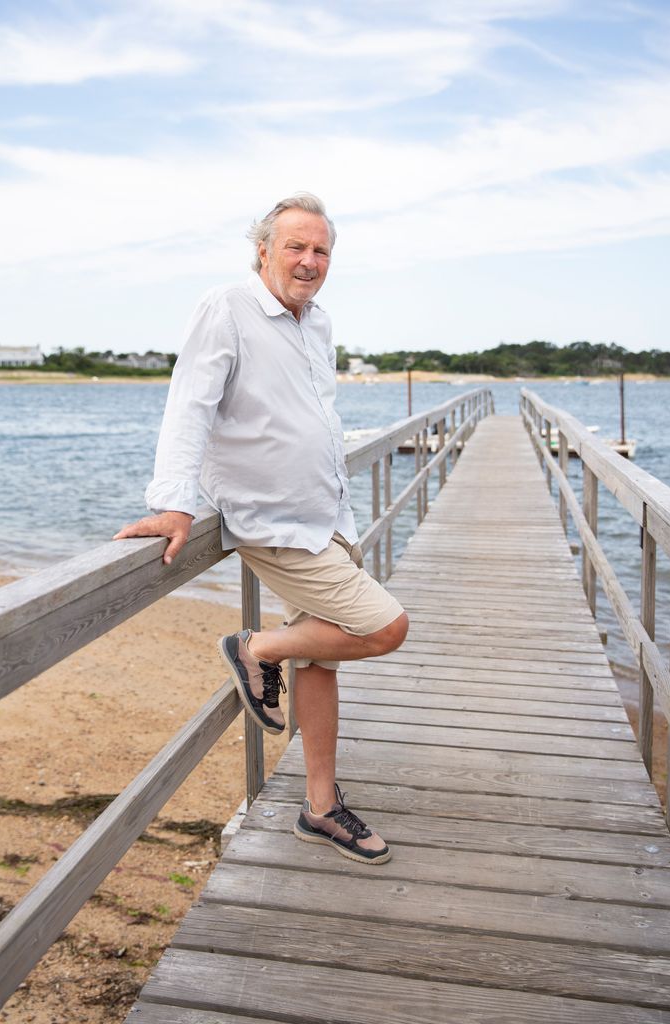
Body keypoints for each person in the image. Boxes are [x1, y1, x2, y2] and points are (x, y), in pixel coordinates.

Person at [114, 193, 408, 864]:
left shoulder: (317, 322)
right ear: (263, 250)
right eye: (296, 247)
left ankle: (322, 806)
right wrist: (175, 503)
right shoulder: (229, 308)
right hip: (273, 520)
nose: (309, 261)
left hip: (325, 511)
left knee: (321, 658)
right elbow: (190, 404)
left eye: (321, 250)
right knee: (385, 625)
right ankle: (255, 648)